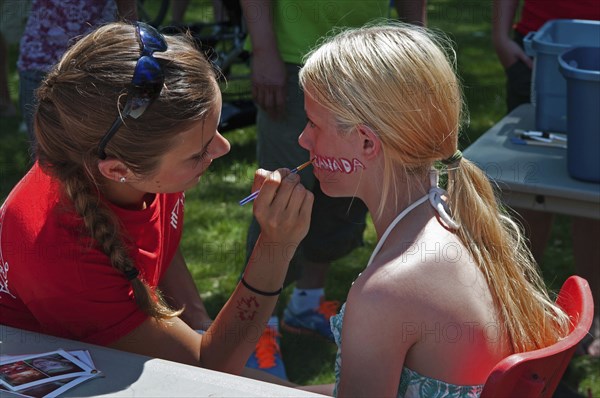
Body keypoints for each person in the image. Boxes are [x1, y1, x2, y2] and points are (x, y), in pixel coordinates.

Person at [0, 21, 313, 378]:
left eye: (216, 130)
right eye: (199, 153)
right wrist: (276, 246)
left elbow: (155, 239)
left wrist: (198, 320)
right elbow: (207, 368)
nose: (222, 149)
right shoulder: (61, 256)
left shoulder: (140, 157)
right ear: (119, 171)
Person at [293, 23, 571, 396]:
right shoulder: (456, 220)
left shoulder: (385, 294)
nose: (303, 138)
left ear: (364, 142)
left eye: (313, 123)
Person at [239, 0, 427, 379]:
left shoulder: (395, 284)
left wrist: (415, 46)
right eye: (307, 122)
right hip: (292, 55)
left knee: (345, 193)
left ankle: (306, 303)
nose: (305, 139)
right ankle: (256, 328)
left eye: (315, 125)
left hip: (371, 63)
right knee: (282, 199)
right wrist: (264, 50)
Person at [492, 0, 600, 358]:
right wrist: (501, 38)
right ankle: (518, 316)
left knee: (591, 199)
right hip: (537, 53)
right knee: (527, 197)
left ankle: (590, 322)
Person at [17, 0, 137, 155]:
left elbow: (128, 12)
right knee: (45, 153)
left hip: (94, 65)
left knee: (93, 151)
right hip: (38, 59)